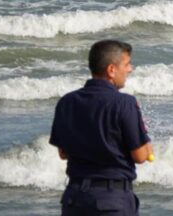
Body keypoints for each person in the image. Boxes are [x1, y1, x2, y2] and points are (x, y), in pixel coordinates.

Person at [50, 40, 153, 215]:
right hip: (111, 199)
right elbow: (141, 156)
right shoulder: (125, 103)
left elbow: (63, 153)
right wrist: (145, 139)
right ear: (111, 70)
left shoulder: (67, 102)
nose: (130, 69)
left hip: (75, 199)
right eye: (127, 64)